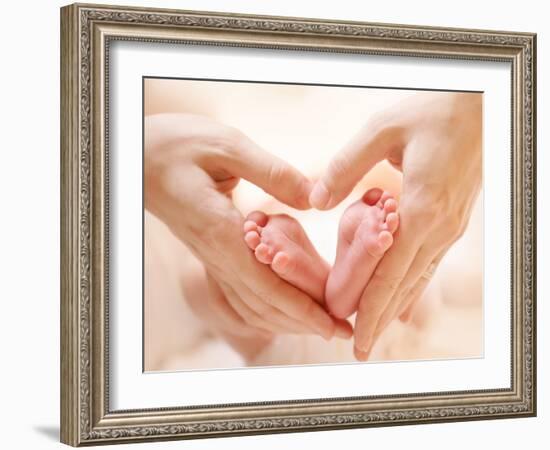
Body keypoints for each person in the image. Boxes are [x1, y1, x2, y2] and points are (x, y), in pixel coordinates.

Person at [309, 92, 482, 360]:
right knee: (423, 280)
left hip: (311, 320)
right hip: (405, 293)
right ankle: (333, 281)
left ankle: (318, 280)